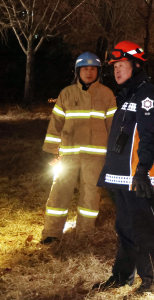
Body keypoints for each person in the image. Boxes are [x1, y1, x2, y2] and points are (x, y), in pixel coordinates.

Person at [92, 41, 154, 294]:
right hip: (120, 177)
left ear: (136, 65)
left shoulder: (147, 94)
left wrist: (143, 169)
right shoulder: (127, 95)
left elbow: (151, 136)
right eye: (114, 67)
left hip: (137, 176)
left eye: (121, 65)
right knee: (124, 228)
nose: (117, 71)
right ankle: (122, 276)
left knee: (144, 229)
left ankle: (152, 281)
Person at [40, 52, 116, 244]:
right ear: (78, 71)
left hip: (96, 156)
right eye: (84, 69)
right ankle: (52, 233)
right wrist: (50, 152)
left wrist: (114, 155)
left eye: (92, 69)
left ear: (98, 71)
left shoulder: (107, 95)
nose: (88, 72)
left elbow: (113, 126)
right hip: (68, 154)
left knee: (91, 195)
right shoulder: (66, 94)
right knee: (59, 191)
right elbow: (55, 124)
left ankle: (85, 234)